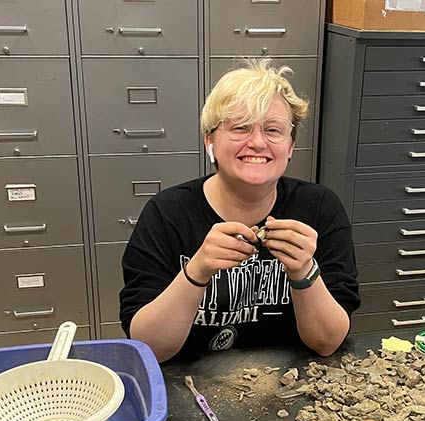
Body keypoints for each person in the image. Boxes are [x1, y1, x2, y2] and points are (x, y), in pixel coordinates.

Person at [119, 59, 360, 362]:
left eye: (273, 130)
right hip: (189, 386)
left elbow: (327, 343)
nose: (257, 142)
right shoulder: (167, 214)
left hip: (292, 384)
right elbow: (150, 348)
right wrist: (197, 271)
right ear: (210, 141)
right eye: (240, 128)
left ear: (290, 146)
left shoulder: (320, 208)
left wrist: (303, 272)